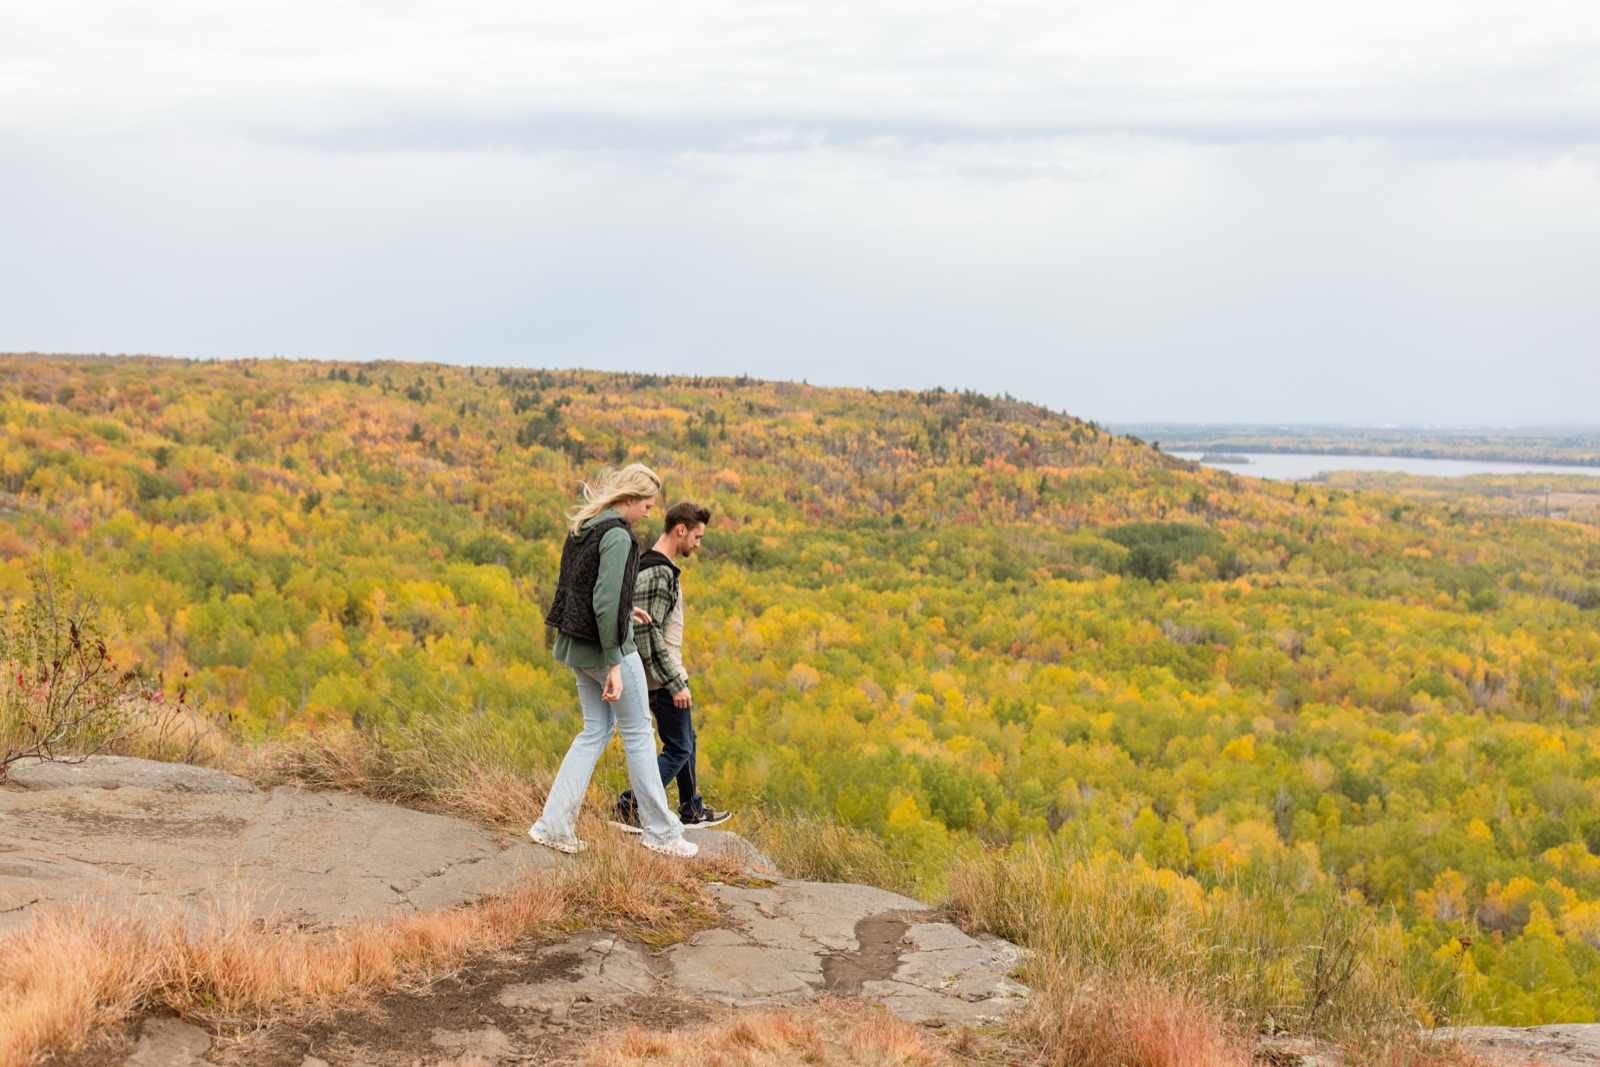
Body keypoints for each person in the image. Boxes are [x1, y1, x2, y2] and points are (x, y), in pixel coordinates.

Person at [527, 464, 698, 858]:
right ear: (630, 498)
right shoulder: (619, 535)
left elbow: (588, 590)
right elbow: (604, 603)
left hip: (577, 646)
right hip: (608, 650)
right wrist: (616, 664)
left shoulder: (586, 525)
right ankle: (662, 832)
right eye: (648, 506)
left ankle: (553, 825)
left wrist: (626, 609)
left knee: (595, 730)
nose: (649, 514)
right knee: (638, 733)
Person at [614, 501, 732, 830]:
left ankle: (691, 808)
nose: (698, 544)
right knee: (679, 747)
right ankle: (630, 805)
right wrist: (674, 682)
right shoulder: (659, 572)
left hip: (659, 674)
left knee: (685, 738)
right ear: (681, 530)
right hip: (663, 677)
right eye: (697, 537)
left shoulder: (648, 564)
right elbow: (647, 632)